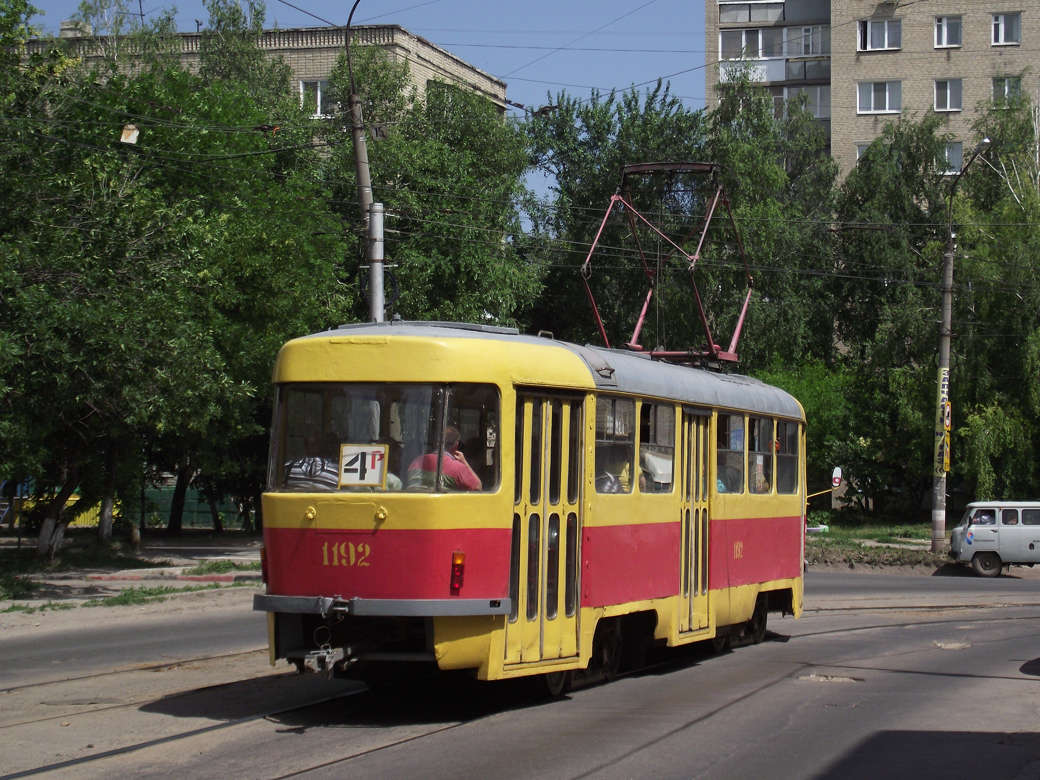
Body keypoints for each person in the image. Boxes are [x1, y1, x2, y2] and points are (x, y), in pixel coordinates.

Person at [407, 427, 482, 491]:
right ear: (456, 445)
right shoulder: (458, 468)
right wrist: (464, 462)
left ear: (434, 443)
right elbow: (478, 488)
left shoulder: (417, 461)